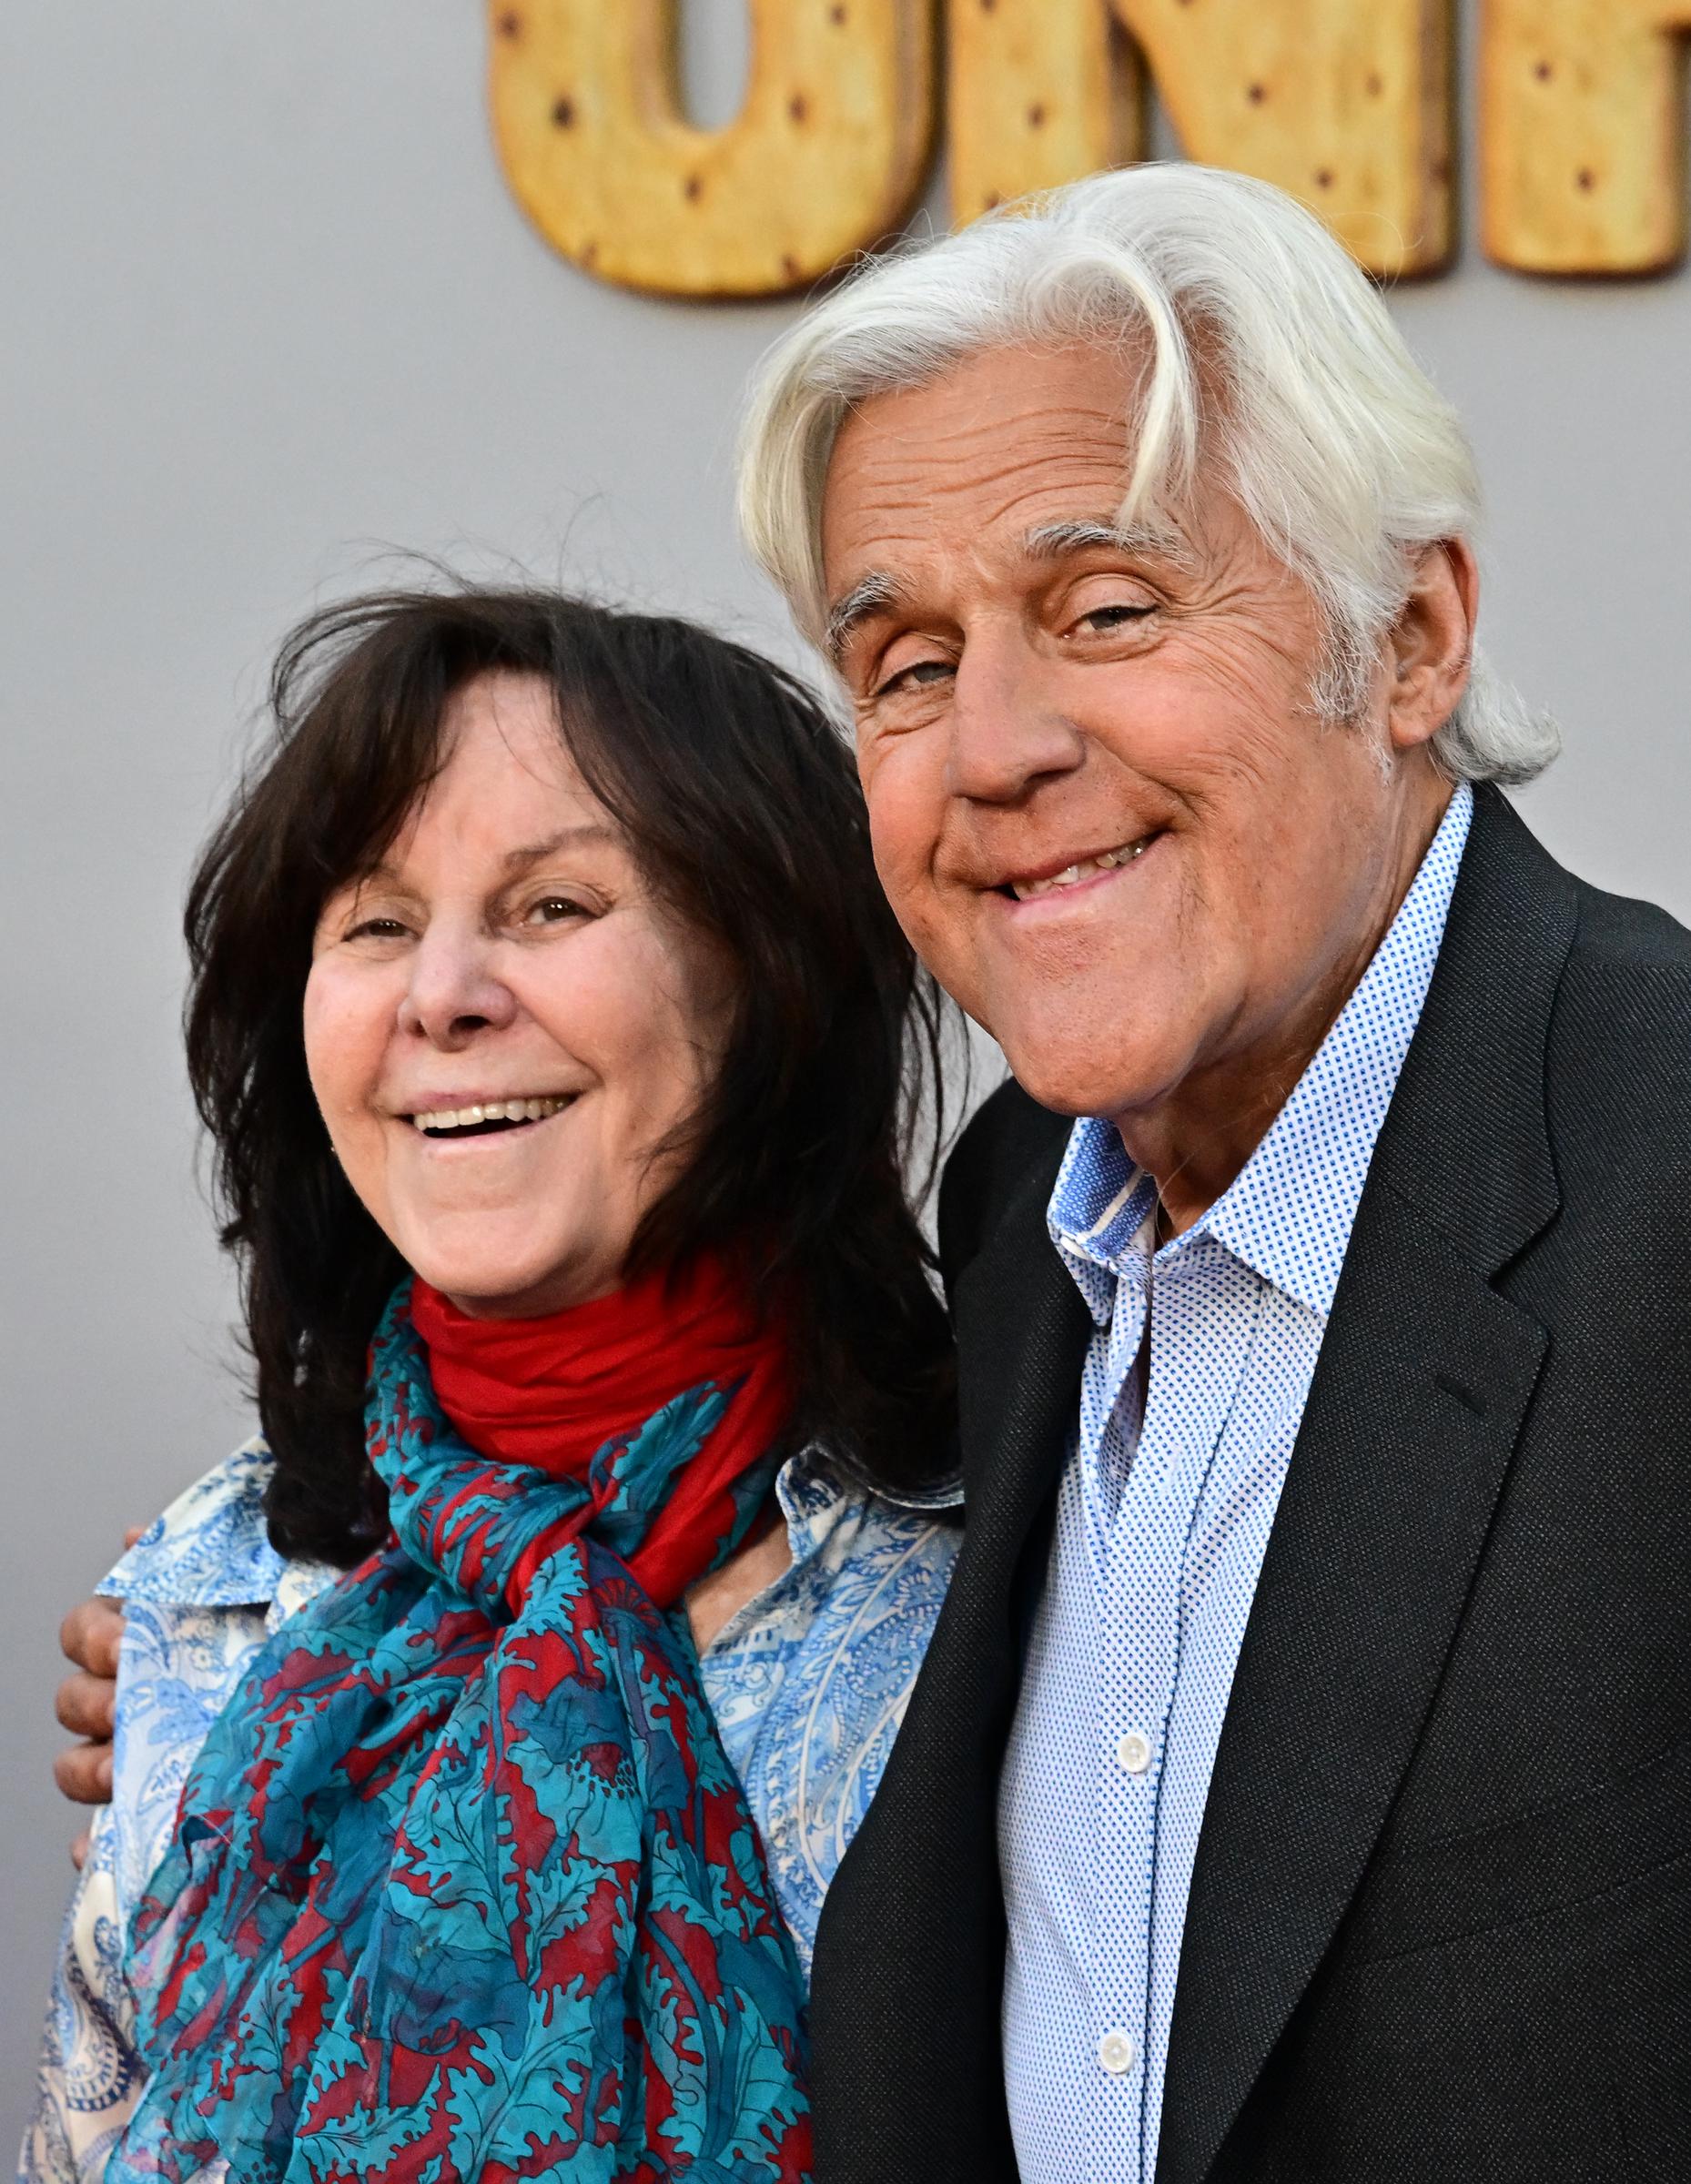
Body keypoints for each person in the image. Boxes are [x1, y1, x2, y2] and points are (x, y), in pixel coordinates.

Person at [732, 165, 1691, 2181]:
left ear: (1404, 639)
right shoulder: (1016, 1213)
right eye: (902, 664)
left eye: (1104, 609)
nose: (987, 747)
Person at [24, 587, 962, 2182]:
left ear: (768, 980)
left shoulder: (1016, 1576)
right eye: (374, 924)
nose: (440, 993)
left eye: (550, 909)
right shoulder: (216, 1585)